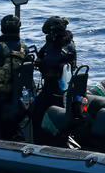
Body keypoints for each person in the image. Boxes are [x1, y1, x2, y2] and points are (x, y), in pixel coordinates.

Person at [31, 16, 77, 144]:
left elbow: (53, 61)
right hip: (52, 87)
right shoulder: (52, 44)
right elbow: (41, 56)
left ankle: (41, 141)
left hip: (57, 89)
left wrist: (43, 64)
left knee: (37, 110)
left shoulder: (66, 46)